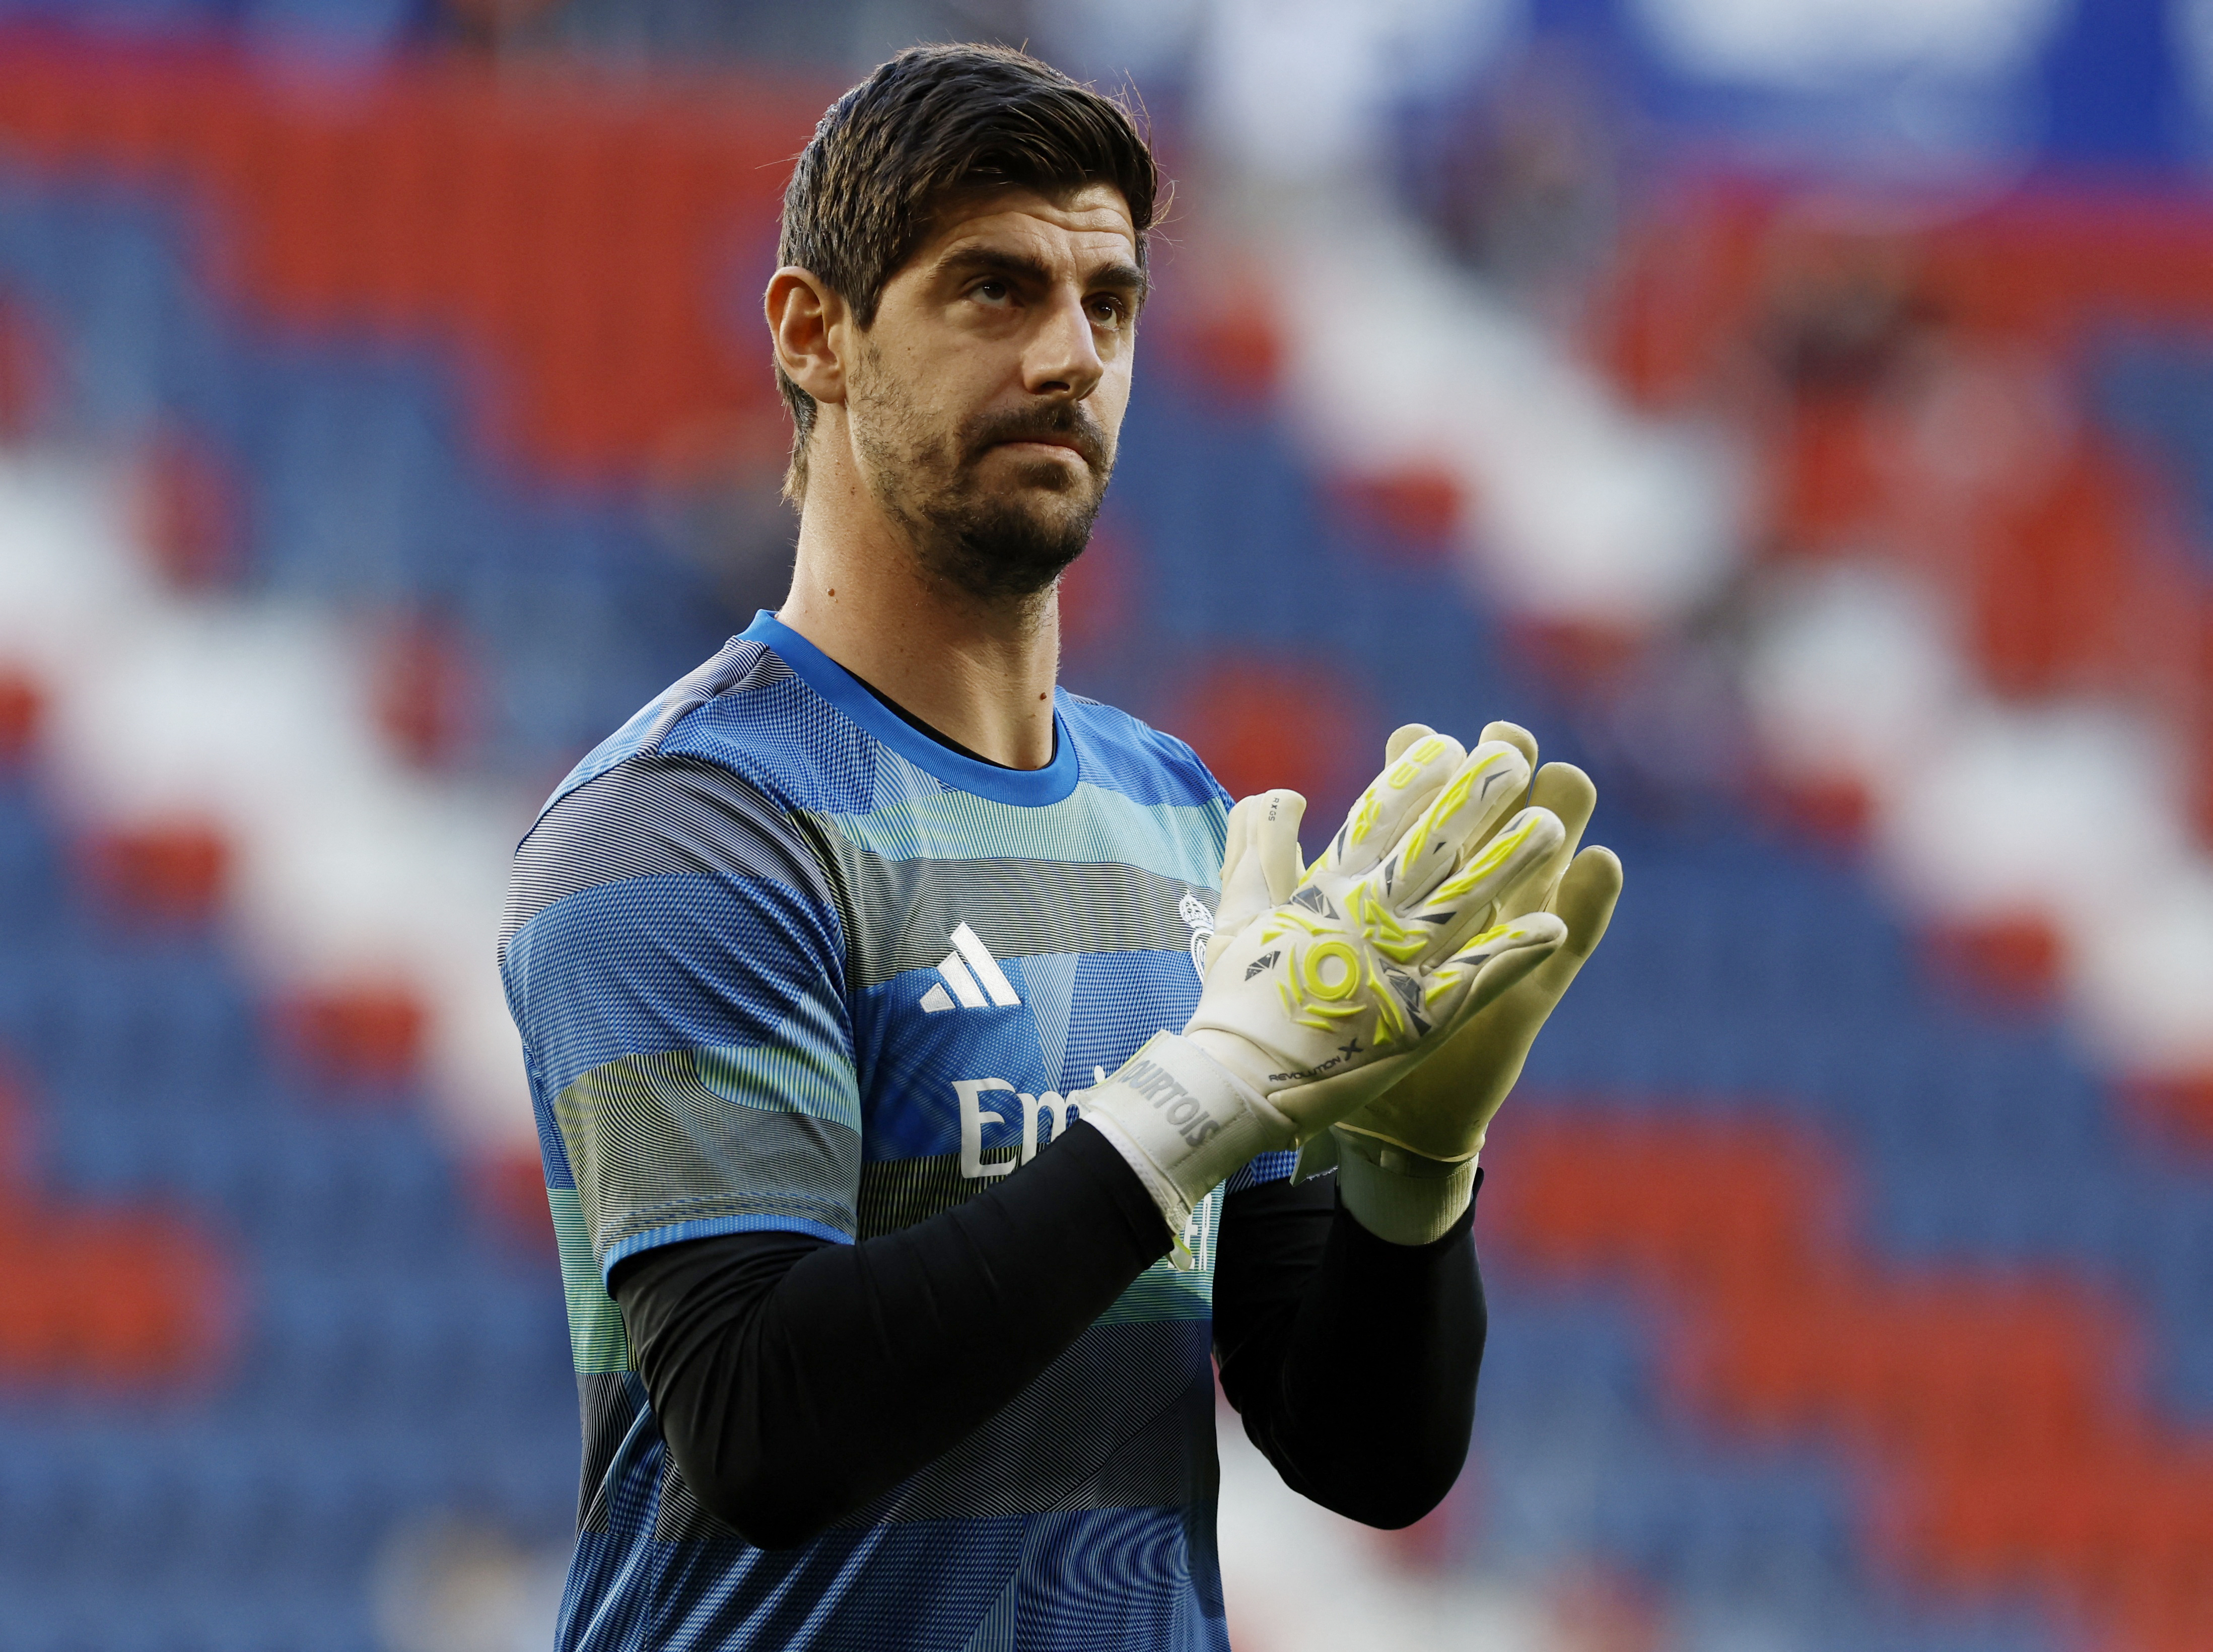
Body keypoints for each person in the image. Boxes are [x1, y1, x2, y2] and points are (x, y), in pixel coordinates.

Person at [499, 42, 1623, 1651]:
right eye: (992, 290)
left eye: (1109, 306)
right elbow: (762, 1425)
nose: (1067, 357)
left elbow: (1365, 1456)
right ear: (814, 333)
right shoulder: (687, 822)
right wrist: (1201, 1100)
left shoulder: (1175, 812)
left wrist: (1412, 1177)